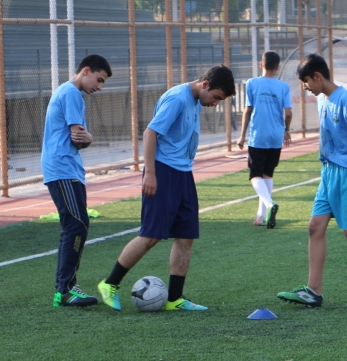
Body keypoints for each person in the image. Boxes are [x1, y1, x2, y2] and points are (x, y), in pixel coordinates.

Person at [98, 65, 236, 312]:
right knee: (151, 235)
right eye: (216, 97)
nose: (216, 104)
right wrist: (150, 173)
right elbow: (150, 133)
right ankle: (110, 283)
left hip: (183, 174)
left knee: (185, 237)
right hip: (162, 172)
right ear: (205, 85)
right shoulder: (177, 98)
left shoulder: (195, 99)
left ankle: (175, 298)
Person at [277, 54, 347, 308]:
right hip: (328, 172)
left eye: (306, 83)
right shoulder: (323, 99)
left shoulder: (345, 99)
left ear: (317, 76)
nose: (305, 88)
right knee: (315, 226)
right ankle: (314, 290)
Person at [43, 54, 112, 308]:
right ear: (86, 71)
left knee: (76, 225)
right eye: (99, 79)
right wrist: (89, 137)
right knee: (77, 224)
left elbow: (80, 138)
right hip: (62, 168)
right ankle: (65, 290)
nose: (100, 87)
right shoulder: (71, 93)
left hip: (67, 168)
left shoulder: (68, 91)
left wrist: (87, 138)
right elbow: (78, 137)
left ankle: (66, 288)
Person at [237, 51, 292, 228]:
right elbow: (289, 112)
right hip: (276, 136)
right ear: (277, 67)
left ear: (261, 64)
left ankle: (269, 204)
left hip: (258, 135)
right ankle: (261, 215)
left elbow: (247, 110)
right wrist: (287, 130)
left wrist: (242, 135)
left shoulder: (252, 83)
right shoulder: (283, 86)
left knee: (255, 174)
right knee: (267, 173)